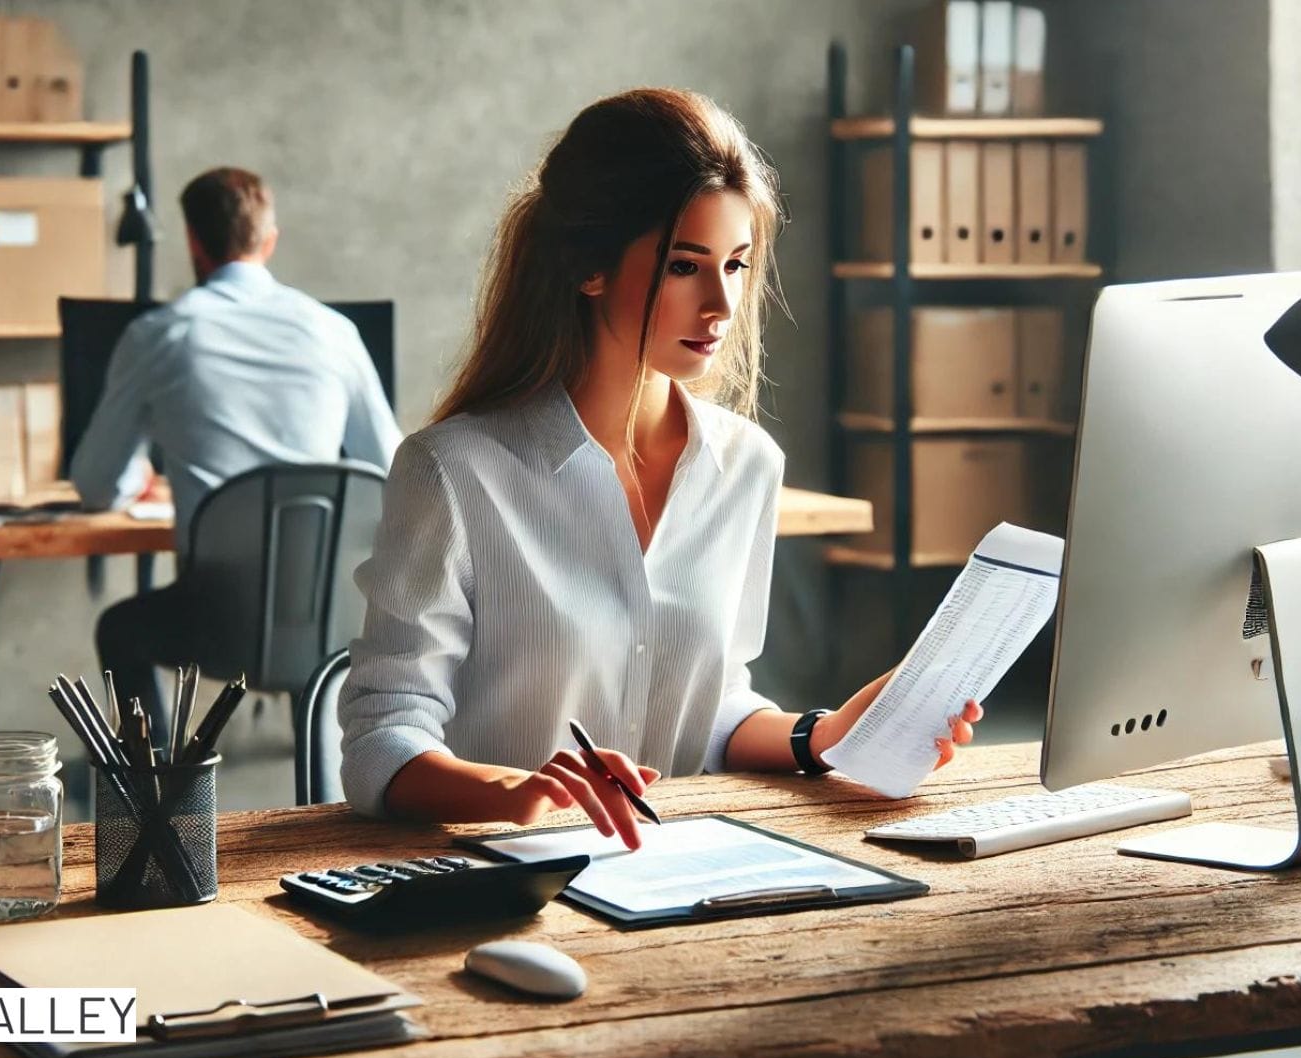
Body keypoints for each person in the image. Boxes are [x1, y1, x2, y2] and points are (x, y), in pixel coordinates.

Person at [338, 89, 978, 846]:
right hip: (504, 882)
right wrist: (520, 791)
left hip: (681, 874)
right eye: (684, 266)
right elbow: (384, 736)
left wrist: (826, 734)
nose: (721, 304)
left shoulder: (745, 467)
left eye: (736, 266)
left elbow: (707, 708)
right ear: (589, 268)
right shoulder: (453, 473)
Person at [73, 166, 401, 723]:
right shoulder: (332, 331)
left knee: (120, 630)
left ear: (194, 242)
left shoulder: (160, 335)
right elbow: (395, 472)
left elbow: (95, 485)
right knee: (316, 621)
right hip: (327, 617)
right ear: (269, 240)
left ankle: (158, 803)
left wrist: (136, 481)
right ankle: (321, 788)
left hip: (216, 621)